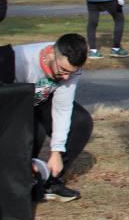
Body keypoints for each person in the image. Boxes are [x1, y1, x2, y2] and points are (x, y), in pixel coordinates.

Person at [9, 34, 92, 202]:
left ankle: (51, 182)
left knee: (81, 122)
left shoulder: (70, 70)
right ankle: (18, 184)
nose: (66, 77)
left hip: (41, 99)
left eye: (71, 72)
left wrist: (56, 152)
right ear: (50, 55)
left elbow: (63, 108)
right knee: (34, 131)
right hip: (14, 104)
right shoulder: (20, 61)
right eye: (63, 70)